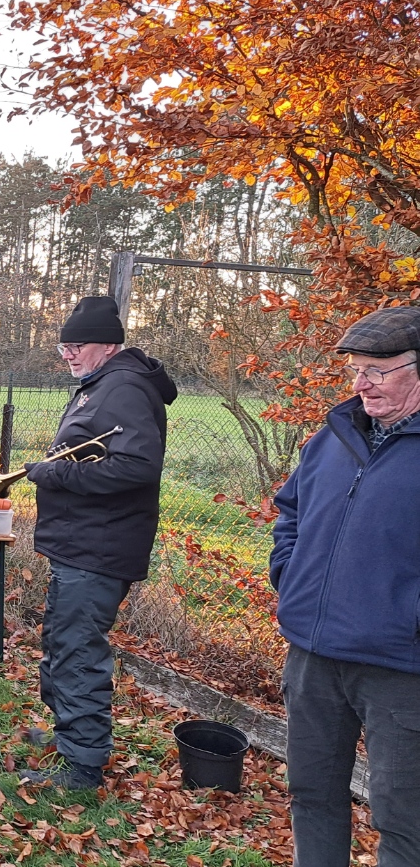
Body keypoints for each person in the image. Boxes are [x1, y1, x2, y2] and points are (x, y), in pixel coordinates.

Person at [269, 306, 420, 866]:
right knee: (311, 795)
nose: (361, 384)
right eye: (357, 370)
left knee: (404, 819)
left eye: (378, 370)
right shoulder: (333, 437)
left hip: (402, 668)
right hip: (312, 654)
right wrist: (290, 574)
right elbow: (290, 511)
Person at [15, 296, 178, 791]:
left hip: (99, 547)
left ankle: (82, 766)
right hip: (81, 543)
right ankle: (70, 733)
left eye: (77, 345)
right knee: (62, 643)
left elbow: (138, 466)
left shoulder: (123, 387)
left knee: (78, 650)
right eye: (64, 345)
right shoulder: (100, 383)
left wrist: (57, 473)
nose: (67, 353)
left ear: (108, 344)